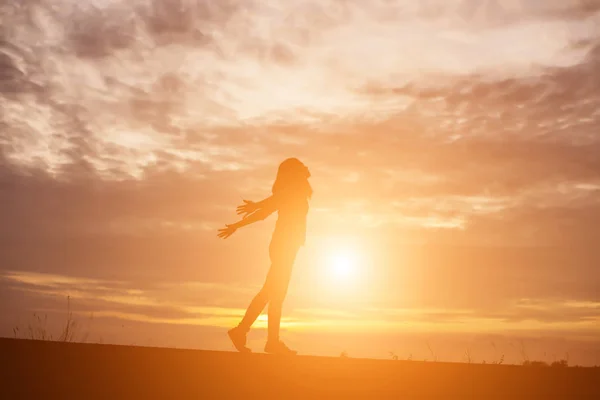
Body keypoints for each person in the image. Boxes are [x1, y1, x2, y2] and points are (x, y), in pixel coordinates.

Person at [217, 158, 312, 355]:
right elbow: (269, 206)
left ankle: (245, 332)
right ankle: (267, 341)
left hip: (287, 246)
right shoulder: (291, 191)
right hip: (283, 245)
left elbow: (263, 213)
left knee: (271, 293)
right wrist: (239, 222)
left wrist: (238, 224)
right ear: (292, 173)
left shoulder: (296, 192)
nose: (305, 169)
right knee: (275, 294)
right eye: (300, 168)